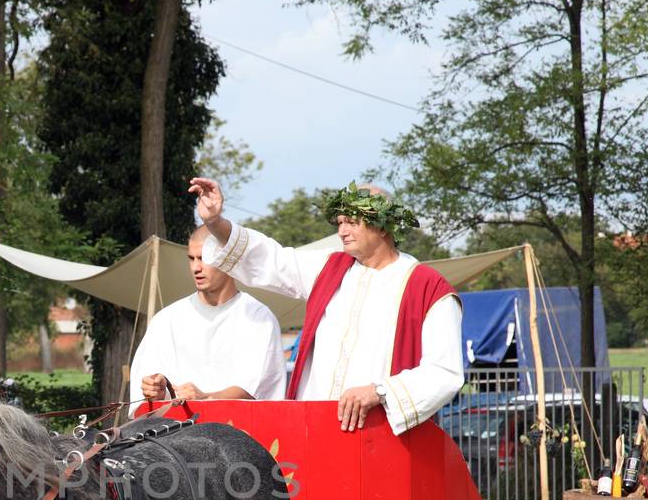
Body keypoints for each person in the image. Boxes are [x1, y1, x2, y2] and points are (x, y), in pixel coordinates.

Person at [190, 178, 464, 434]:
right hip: (315, 431)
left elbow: (445, 373)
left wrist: (379, 391)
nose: (341, 231)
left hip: (380, 439)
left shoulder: (427, 287)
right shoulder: (328, 268)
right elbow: (271, 260)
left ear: (382, 226)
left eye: (352, 222)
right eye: (340, 222)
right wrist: (215, 222)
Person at [129, 226, 288, 411]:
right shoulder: (167, 320)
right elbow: (149, 393)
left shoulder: (258, 318)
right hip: (173, 434)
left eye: (204, 259)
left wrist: (207, 398)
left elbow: (257, 388)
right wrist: (157, 391)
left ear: (229, 259)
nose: (196, 268)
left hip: (238, 434)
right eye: (192, 258)